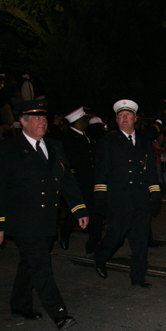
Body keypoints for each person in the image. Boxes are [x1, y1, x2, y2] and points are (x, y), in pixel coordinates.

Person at [0, 100, 88, 331]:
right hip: (23, 220)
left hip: (46, 220)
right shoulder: (7, 149)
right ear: (23, 121)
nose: (43, 122)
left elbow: (66, 180)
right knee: (42, 265)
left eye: (44, 118)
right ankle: (59, 313)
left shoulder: (54, 146)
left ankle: (19, 304)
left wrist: (78, 209)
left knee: (29, 263)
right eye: (37, 118)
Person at [92, 100, 162, 287]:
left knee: (140, 239)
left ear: (135, 118)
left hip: (140, 198)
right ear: (116, 120)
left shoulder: (144, 142)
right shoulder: (108, 142)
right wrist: (100, 196)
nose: (124, 118)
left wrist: (155, 194)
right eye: (121, 115)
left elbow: (150, 171)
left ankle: (138, 276)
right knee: (116, 234)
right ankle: (100, 257)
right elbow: (102, 170)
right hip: (119, 198)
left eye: (128, 115)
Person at [57, 107, 102, 254]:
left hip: (91, 182)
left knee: (95, 214)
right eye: (84, 120)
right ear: (77, 122)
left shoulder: (86, 136)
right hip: (78, 183)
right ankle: (64, 234)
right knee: (75, 213)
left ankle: (93, 244)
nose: (87, 122)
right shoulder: (67, 139)